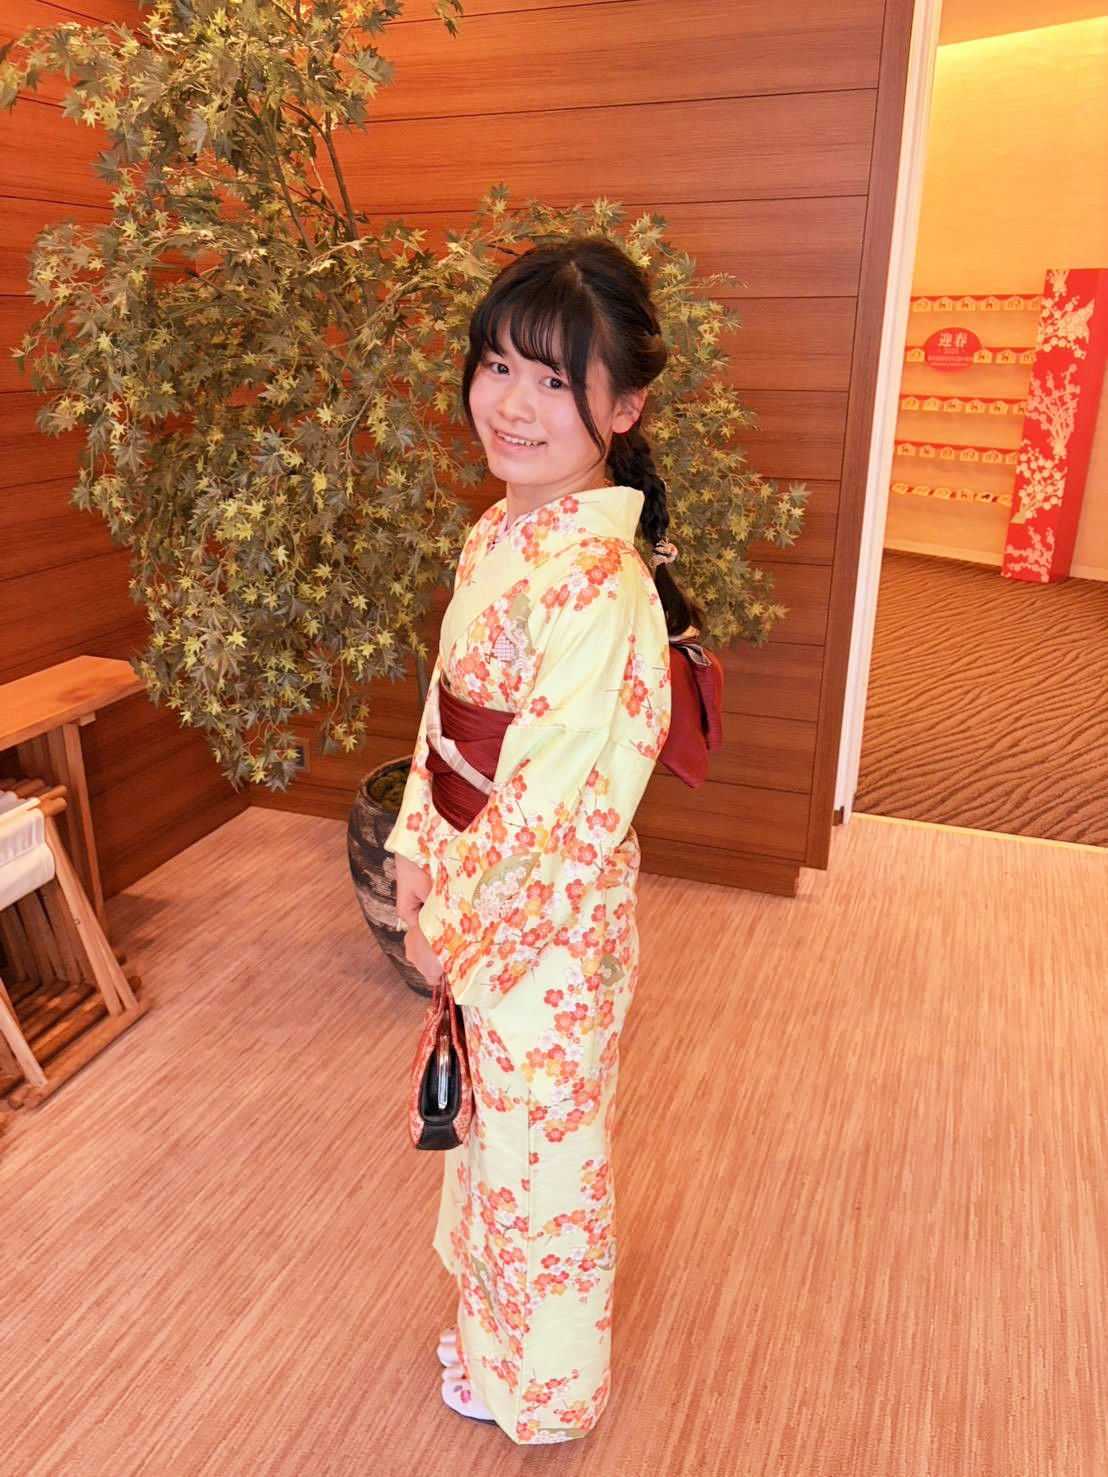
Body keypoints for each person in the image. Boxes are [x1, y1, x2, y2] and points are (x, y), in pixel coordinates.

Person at [384, 236, 703, 1445]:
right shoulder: (500, 533)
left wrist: (451, 930)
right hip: (480, 891)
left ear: (623, 407)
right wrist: (413, 854)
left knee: (542, 1157)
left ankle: (545, 1390)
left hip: (544, 928)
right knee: (496, 1136)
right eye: (498, 367)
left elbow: (554, 812)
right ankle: (490, 1337)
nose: (513, 405)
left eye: (556, 381)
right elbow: (445, 720)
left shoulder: (598, 584)